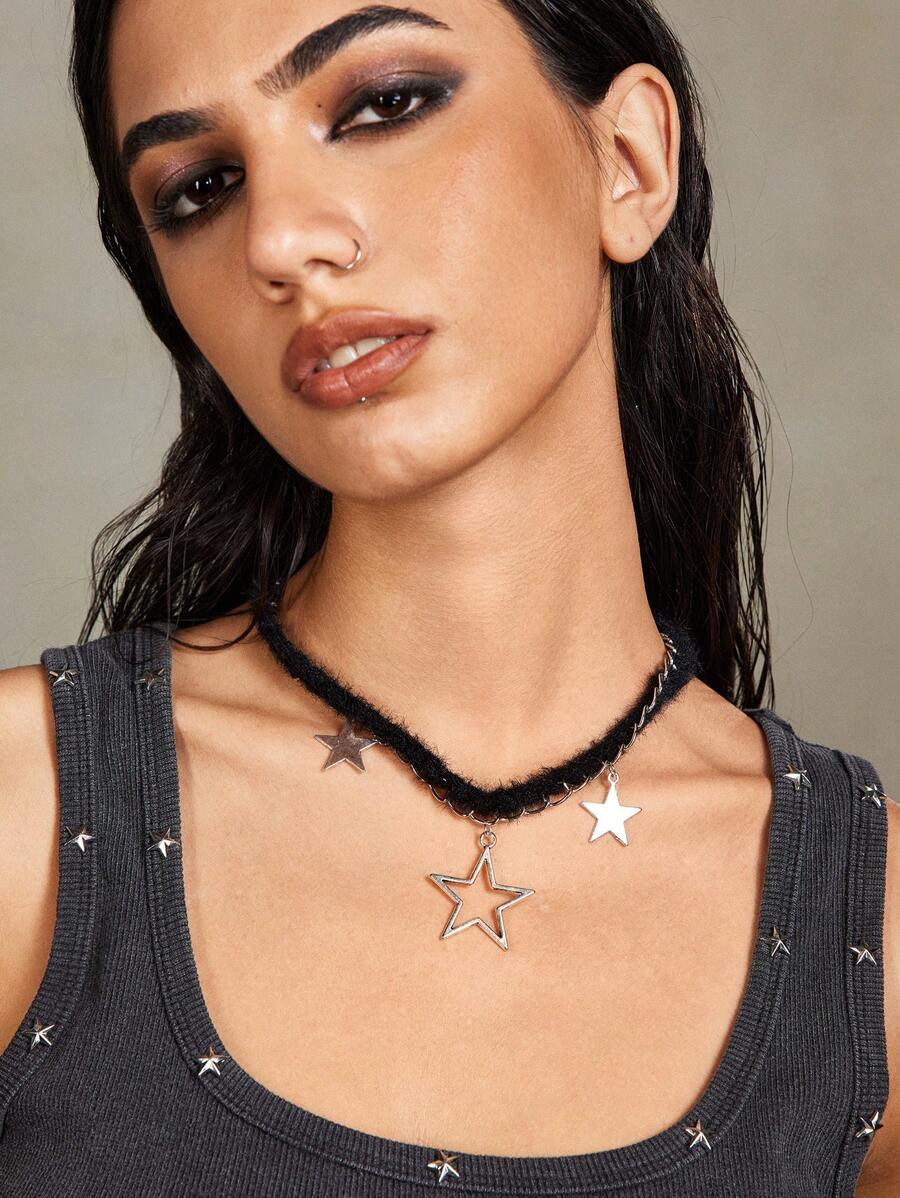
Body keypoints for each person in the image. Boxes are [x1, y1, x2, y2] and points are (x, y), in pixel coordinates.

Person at [0, 0, 895, 1194]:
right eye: (200, 188)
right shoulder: (24, 816)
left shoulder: (874, 942)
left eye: (384, 104)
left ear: (629, 163)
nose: (280, 242)